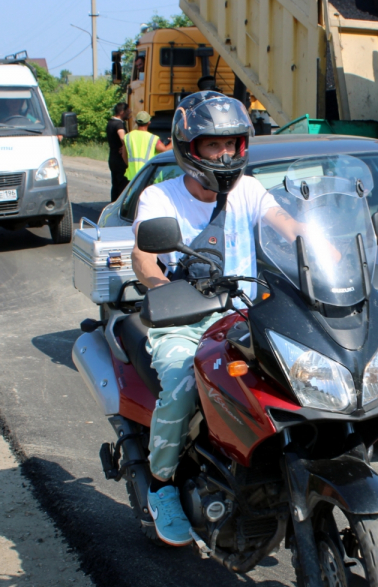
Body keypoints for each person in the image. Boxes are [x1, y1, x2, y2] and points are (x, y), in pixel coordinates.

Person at [123, 91, 303, 546]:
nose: (224, 155)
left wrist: (328, 252)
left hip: (247, 313)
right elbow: (143, 257)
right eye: (212, 145)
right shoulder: (159, 198)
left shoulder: (249, 191)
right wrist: (161, 290)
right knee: (184, 382)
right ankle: (161, 484)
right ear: (189, 147)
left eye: (231, 144)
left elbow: (288, 225)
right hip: (184, 319)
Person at [123, 110, 171, 181]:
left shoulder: (127, 137)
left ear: (136, 122)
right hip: (149, 175)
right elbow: (165, 150)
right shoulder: (153, 138)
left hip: (133, 177)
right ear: (149, 123)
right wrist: (172, 142)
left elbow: (124, 156)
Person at [107, 102, 130, 201]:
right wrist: (126, 144)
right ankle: (120, 207)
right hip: (120, 159)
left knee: (115, 185)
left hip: (112, 157)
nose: (130, 113)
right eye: (127, 111)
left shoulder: (110, 122)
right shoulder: (119, 124)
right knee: (122, 186)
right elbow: (122, 137)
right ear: (121, 112)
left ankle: (113, 204)